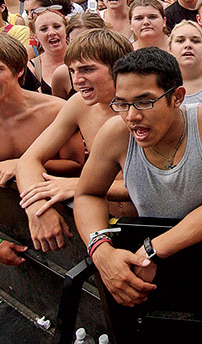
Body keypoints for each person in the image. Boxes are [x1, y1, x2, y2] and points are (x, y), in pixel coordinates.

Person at [73, 48, 202, 306]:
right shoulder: (116, 133)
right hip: (149, 268)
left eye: (144, 102)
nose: (132, 116)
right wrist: (101, 250)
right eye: (122, 103)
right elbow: (88, 193)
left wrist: (154, 249)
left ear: (177, 97)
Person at [0, 33, 84, 265]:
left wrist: (22, 164)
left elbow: (76, 166)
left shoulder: (56, 110)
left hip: (68, 221)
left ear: (19, 70)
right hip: (11, 226)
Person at [16, 29, 133, 252]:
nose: (77, 80)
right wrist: (37, 208)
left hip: (150, 223)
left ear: (119, 68)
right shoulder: (79, 104)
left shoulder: (143, 110)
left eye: (87, 69)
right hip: (104, 221)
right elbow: (29, 159)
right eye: (73, 71)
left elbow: (154, 184)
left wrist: (78, 185)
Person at [27, 7, 68, 95]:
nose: (52, 32)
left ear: (66, 29)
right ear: (35, 36)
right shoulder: (31, 68)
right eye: (44, 29)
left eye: (57, 27)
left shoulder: (83, 59)